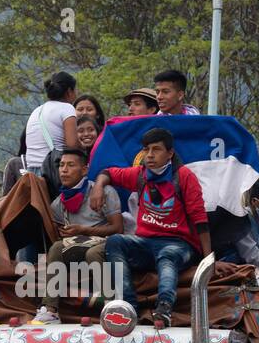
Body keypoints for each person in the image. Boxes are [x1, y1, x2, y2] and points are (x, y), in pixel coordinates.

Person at [91, 126, 211, 329]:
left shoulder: (184, 176)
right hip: (145, 242)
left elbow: (200, 219)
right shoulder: (140, 175)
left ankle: (164, 309)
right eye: (146, 149)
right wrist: (98, 187)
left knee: (167, 256)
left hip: (178, 244)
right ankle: (128, 306)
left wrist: (208, 260)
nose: (150, 155)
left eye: (156, 149)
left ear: (170, 153)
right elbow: (107, 172)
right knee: (115, 241)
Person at [31, 148, 122, 325]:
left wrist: (83, 230)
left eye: (71, 165)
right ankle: (50, 311)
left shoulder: (105, 192)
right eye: (61, 165)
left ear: (85, 169)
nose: (64, 170)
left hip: (105, 241)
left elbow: (118, 228)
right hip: (78, 242)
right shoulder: (58, 204)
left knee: (93, 254)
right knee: (56, 247)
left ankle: (112, 308)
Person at [24, 71, 78, 173]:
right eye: (75, 90)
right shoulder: (67, 108)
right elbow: (72, 146)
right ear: (69, 91)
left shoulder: (37, 110)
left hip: (31, 172)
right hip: (52, 170)